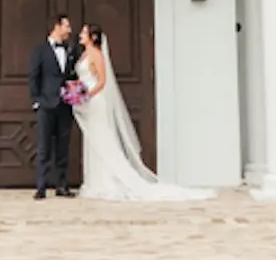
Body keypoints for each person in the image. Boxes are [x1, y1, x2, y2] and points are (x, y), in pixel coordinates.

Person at [72, 22, 212, 201]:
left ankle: (108, 182)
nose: (80, 34)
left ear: (92, 37)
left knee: (102, 138)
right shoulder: (84, 54)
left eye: (84, 32)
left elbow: (102, 81)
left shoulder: (97, 55)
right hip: (88, 101)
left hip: (96, 100)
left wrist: (87, 94)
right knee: (93, 141)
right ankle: (95, 182)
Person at [27, 12, 78, 199]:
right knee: (43, 147)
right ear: (57, 26)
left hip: (65, 104)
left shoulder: (70, 50)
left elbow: (73, 77)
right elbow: (33, 76)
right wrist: (36, 101)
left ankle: (62, 185)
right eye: (67, 26)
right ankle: (41, 186)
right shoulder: (40, 50)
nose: (70, 30)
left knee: (63, 147)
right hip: (46, 105)